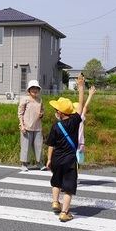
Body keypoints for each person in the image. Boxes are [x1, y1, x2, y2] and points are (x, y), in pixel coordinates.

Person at [46, 74, 92, 222]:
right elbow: (80, 105)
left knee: (56, 181)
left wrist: (49, 159)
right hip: (70, 160)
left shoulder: (55, 126)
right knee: (68, 187)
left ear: (59, 113)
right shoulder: (74, 122)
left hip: (57, 159)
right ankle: (65, 212)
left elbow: (51, 145)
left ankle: (55, 202)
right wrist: (81, 88)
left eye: (56, 109)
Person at [18, 80, 45, 171]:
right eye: (33, 88)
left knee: (39, 146)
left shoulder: (40, 100)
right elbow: (20, 114)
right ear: (29, 90)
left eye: (36, 88)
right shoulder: (25, 99)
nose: (35, 90)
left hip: (37, 127)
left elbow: (42, 110)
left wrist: (41, 114)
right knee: (26, 146)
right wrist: (22, 125)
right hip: (26, 126)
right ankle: (24, 164)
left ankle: (39, 163)